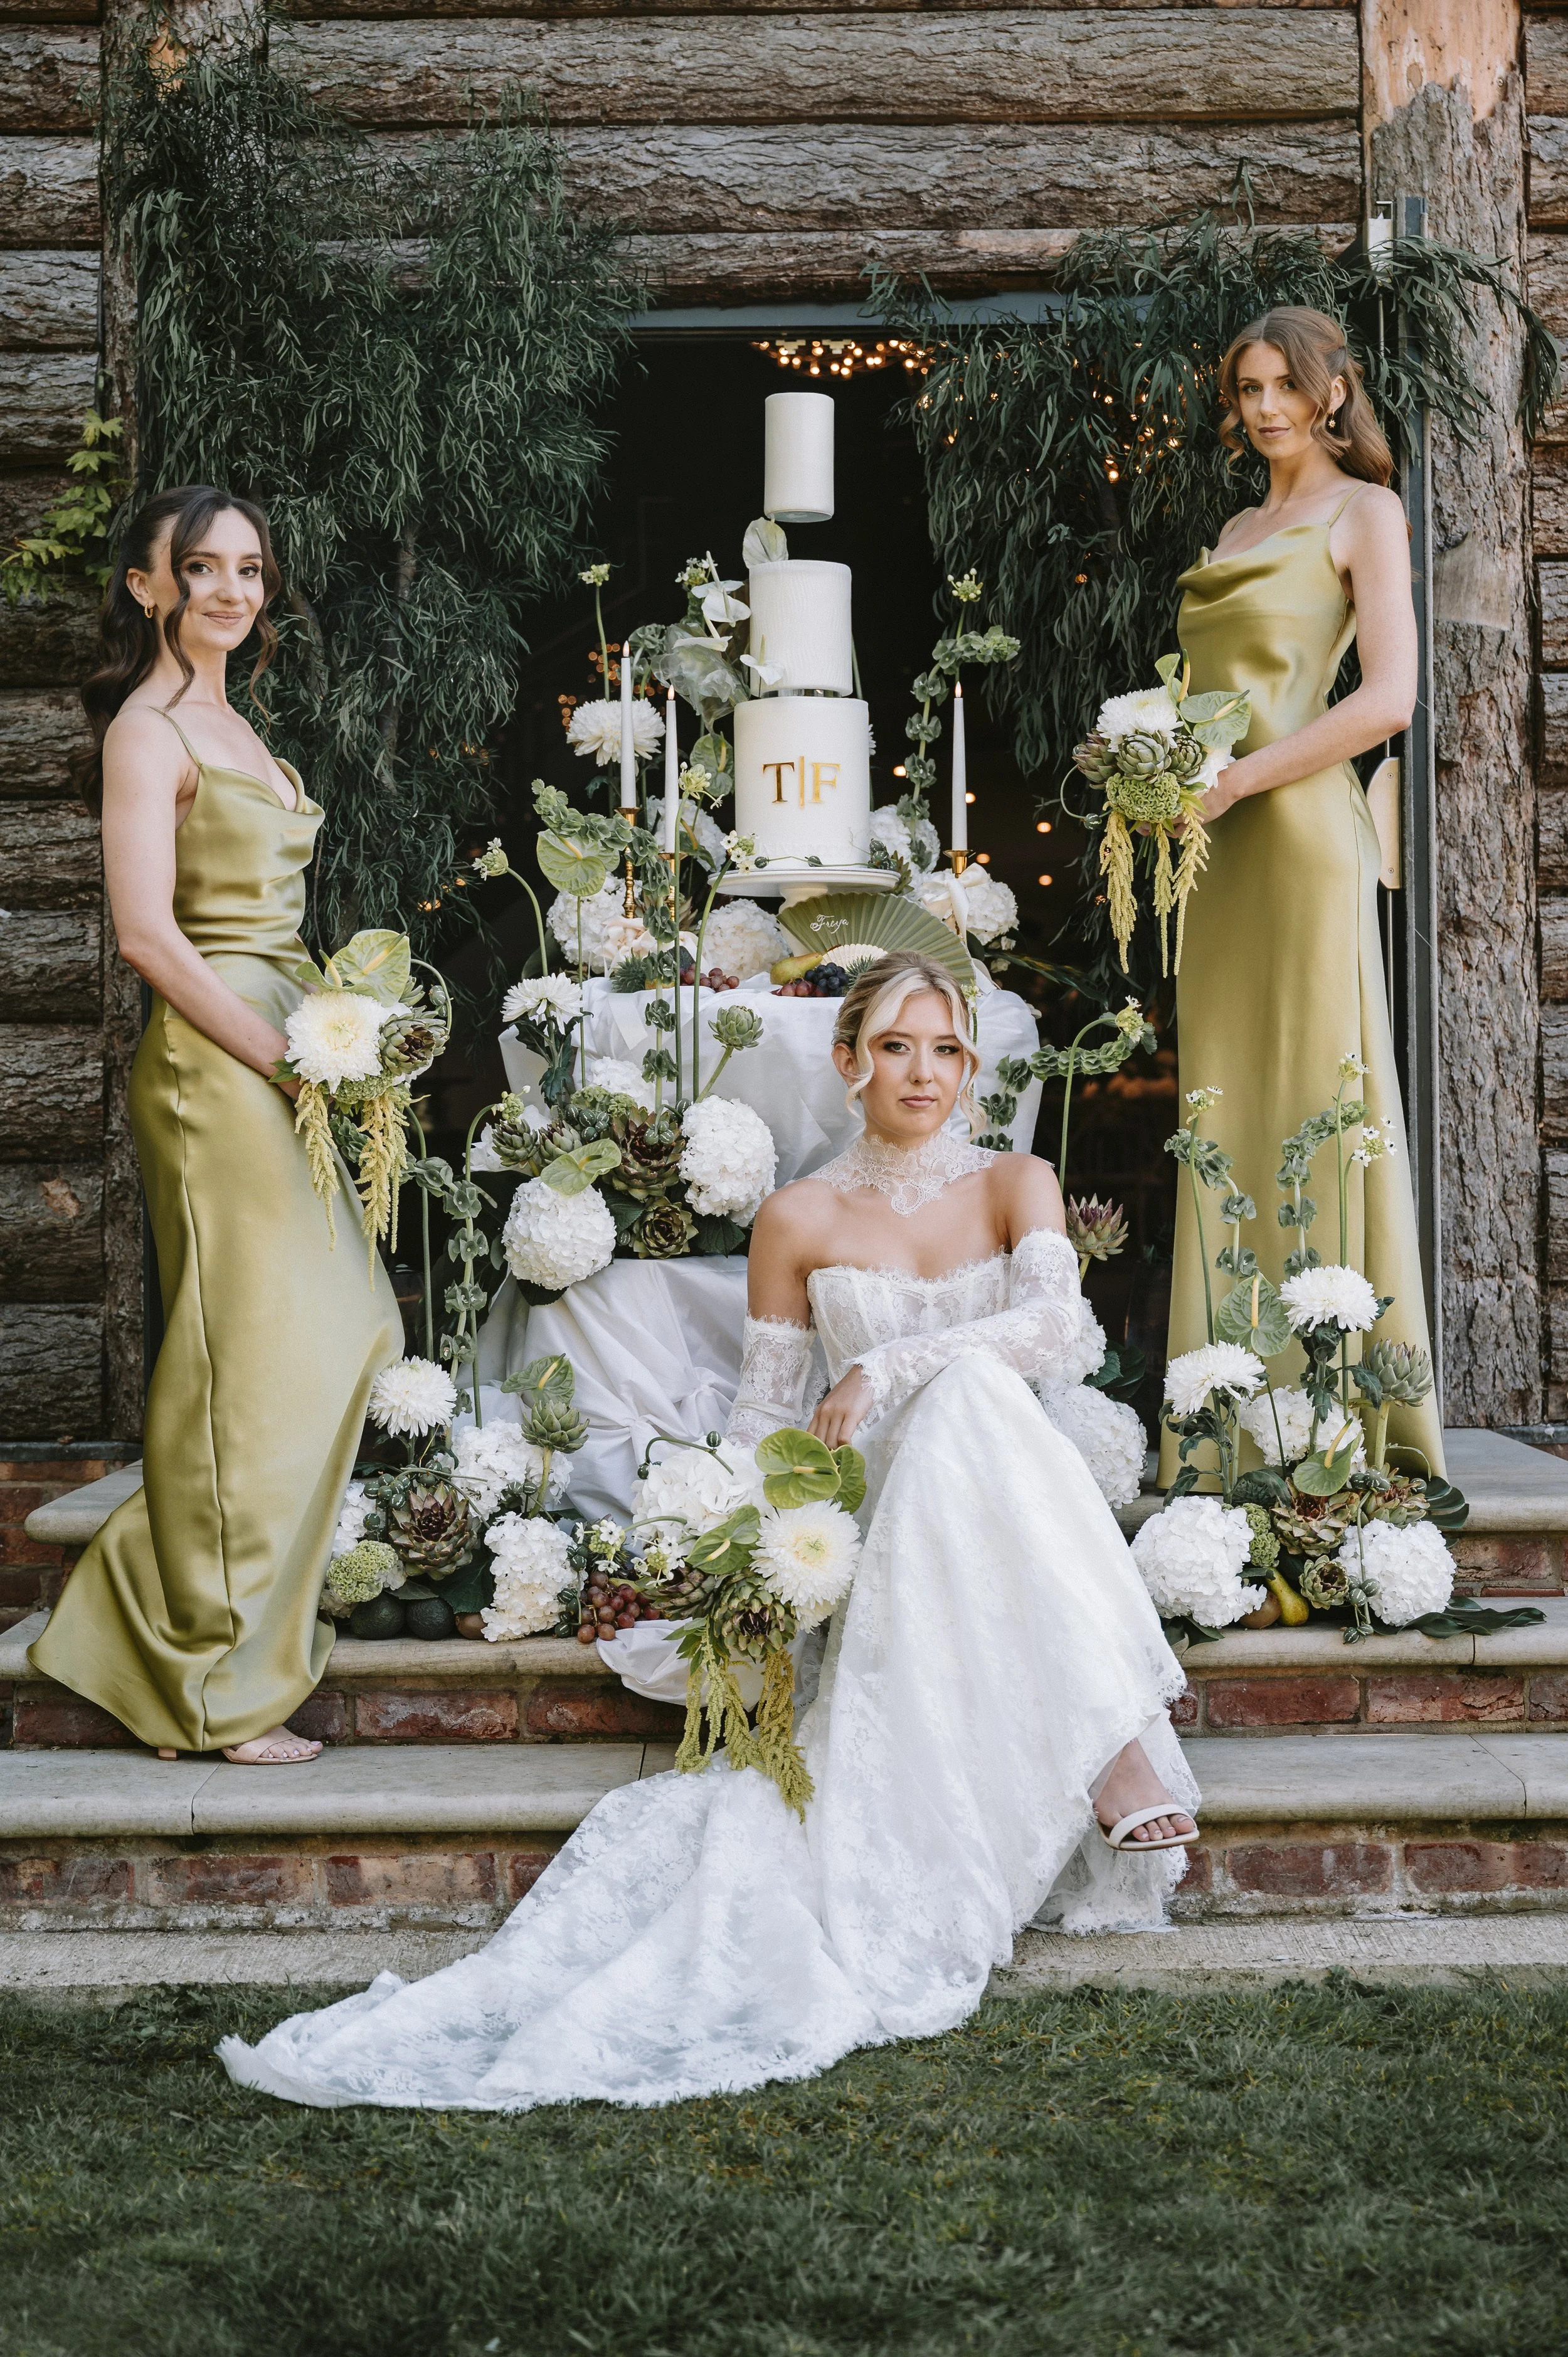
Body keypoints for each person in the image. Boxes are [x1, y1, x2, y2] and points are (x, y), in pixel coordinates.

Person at [220, 951, 1198, 2111]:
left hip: (1001, 1482)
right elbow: (767, 1413)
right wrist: (718, 1538)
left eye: (945, 1049)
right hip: (878, 1509)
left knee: (978, 1398)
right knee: (954, 1414)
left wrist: (888, 1363)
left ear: (971, 1065)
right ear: (848, 1063)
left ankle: (1113, 1751)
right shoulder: (799, 1215)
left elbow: (1052, 1328)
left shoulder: (1016, 1180)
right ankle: (1110, 1744)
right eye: (895, 1046)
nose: (922, 1072)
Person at [28, 485, 402, 1762]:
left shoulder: (236, 721)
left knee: (343, 1330)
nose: (231, 589)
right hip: (214, 1062)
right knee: (251, 1361)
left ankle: (160, 1614)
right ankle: (206, 1680)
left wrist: (344, 1024)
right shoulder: (147, 730)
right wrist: (285, 1058)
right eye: (202, 568)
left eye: (248, 568)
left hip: (284, 1038)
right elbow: (149, 935)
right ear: (148, 588)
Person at [1160, 306, 1444, 1483]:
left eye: (1286, 384)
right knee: (1225, 1105)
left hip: (1299, 834)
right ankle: (1226, 1413)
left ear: (1334, 392)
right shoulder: (1236, 524)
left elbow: (1388, 701)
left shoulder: (1365, 513)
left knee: (1321, 1093)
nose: (1265, 405)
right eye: (1248, 387)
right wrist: (1170, 772)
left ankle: (1334, 1423)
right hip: (1218, 850)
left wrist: (1242, 781)